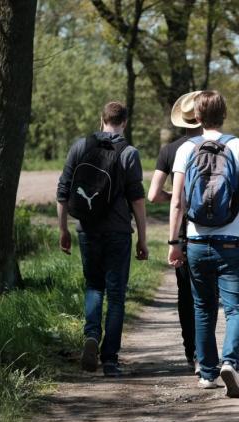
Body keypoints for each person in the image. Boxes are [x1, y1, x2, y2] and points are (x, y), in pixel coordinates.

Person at [167, 90, 239, 397]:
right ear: (225, 114)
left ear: (197, 118)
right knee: (235, 309)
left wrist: (173, 242)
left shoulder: (186, 149)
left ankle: (207, 372)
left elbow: (178, 201)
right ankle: (230, 361)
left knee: (202, 308)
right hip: (231, 240)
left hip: (196, 240)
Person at [56, 101, 149, 378]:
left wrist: (63, 229)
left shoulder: (80, 146)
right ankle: (110, 360)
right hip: (119, 232)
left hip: (88, 229)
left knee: (94, 287)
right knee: (117, 296)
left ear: (102, 119)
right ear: (125, 122)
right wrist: (142, 238)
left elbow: (63, 190)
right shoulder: (129, 153)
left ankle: (91, 336)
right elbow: (137, 200)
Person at [147, 91, 202, 375]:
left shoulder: (170, 150)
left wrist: (174, 196)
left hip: (183, 231)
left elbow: (153, 194)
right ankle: (207, 353)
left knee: (186, 295)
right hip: (212, 228)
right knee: (208, 295)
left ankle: (191, 351)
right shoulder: (216, 144)